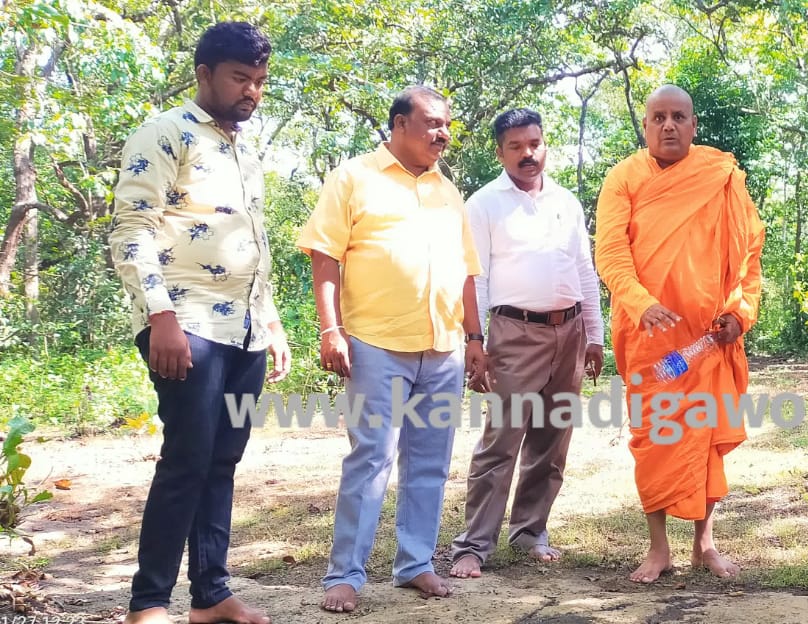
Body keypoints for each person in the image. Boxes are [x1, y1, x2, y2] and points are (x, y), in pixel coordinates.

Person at [107, 21, 288, 624]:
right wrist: (159, 315)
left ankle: (210, 595)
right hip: (185, 322)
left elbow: (252, 241)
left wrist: (270, 322)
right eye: (240, 78)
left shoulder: (243, 149)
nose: (251, 91)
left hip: (244, 330)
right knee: (187, 459)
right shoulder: (165, 132)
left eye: (259, 81)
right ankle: (148, 603)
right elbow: (132, 229)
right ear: (204, 74)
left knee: (222, 460)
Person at [296, 86, 486, 612]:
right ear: (400, 124)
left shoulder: (448, 191)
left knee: (430, 463)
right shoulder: (354, 177)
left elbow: (467, 273)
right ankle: (345, 575)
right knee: (371, 459)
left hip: (443, 347)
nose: (442, 133)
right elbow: (324, 256)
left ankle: (415, 563)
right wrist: (331, 330)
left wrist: (475, 338)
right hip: (375, 344)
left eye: (446, 124)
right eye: (432, 123)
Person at [594, 84, 765, 584]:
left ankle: (704, 543)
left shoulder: (722, 176)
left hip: (709, 341)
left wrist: (739, 313)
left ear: (693, 125)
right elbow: (611, 253)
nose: (668, 125)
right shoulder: (623, 178)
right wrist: (642, 303)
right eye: (659, 117)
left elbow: (748, 256)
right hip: (652, 341)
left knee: (705, 436)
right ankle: (658, 547)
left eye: (678, 117)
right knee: (655, 436)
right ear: (646, 125)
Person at [448, 108, 606, 578]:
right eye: (515, 147)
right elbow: (475, 278)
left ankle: (530, 531)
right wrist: (474, 340)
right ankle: (473, 545)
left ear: (544, 145)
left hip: (570, 332)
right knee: (502, 440)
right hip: (513, 333)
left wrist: (595, 335)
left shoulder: (566, 202)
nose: (527, 154)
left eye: (534, 144)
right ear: (500, 152)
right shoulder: (483, 204)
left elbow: (584, 270)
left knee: (553, 438)